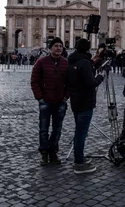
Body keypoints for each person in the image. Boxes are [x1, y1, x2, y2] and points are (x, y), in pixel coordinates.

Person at [68, 39, 104, 174]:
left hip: (76, 101)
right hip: (85, 101)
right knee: (81, 133)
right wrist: (100, 76)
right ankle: (79, 163)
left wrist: (92, 63)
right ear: (88, 49)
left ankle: (79, 157)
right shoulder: (84, 63)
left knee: (79, 131)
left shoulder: (71, 61)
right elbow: (90, 83)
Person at [31, 37, 69, 165]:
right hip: (45, 101)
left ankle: (53, 151)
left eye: (60, 46)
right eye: (56, 46)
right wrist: (40, 98)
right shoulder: (41, 62)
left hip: (60, 101)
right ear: (50, 48)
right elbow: (34, 81)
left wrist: (66, 97)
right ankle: (44, 153)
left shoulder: (66, 63)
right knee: (43, 129)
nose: (59, 48)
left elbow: (70, 82)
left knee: (57, 129)